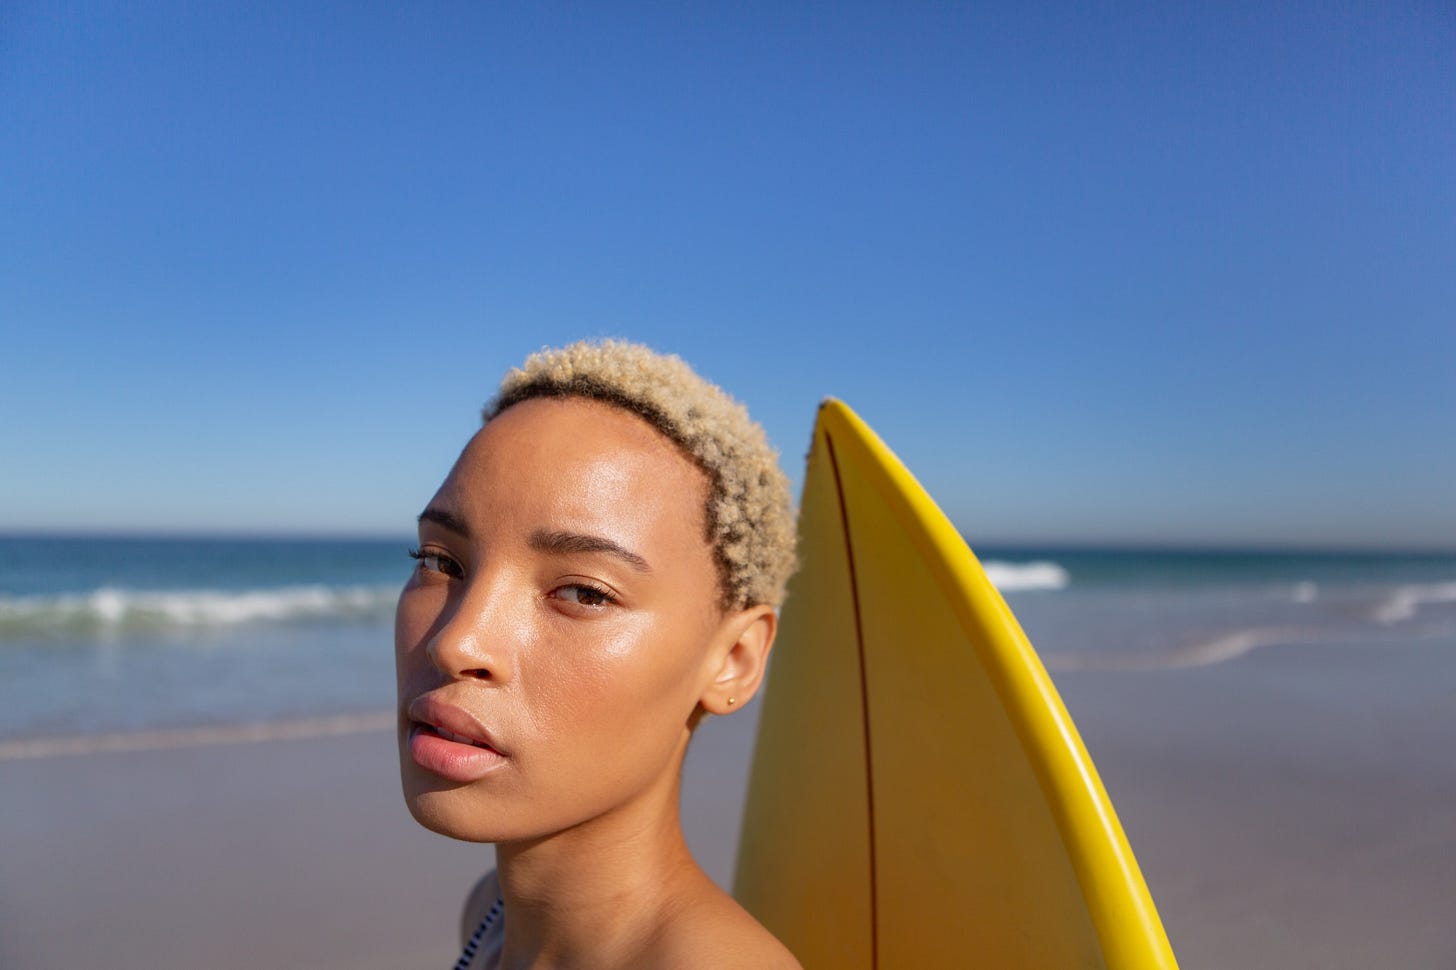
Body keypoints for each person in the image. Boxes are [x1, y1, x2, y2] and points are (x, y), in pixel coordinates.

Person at [394, 339, 802, 969]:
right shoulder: (490, 917)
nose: (456, 642)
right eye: (441, 562)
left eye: (583, 592)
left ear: (735, 660)